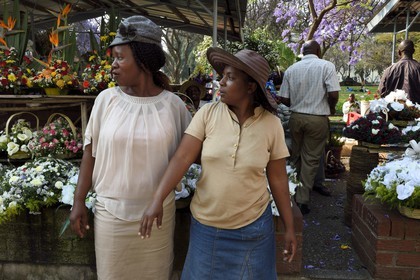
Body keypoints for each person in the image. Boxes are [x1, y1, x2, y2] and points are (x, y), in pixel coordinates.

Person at [140, 47, 297, 279]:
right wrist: (157, 199)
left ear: (251, 87)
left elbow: (277, 178)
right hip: (208, 228)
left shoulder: (271, 124)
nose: (221, 82)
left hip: (254, 230)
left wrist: (289, 227)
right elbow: (182, 158)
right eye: (222, 75)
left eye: (230, 78)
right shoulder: (207, 114)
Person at [69, 16, 192, 280]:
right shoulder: (106, 100)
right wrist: (78, 201)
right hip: (111, 217)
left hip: (157, 218)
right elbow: (90, 153)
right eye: (113, 58)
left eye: (120, 58)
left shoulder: (174, 107)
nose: (113, 65)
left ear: (143, 60)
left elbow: (184, 158)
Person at [279, 40, 340, 215]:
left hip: (296, 117)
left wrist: (298, 101)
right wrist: (332, 107)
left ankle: (290, 192)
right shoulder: (326, 66)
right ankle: (302, 199)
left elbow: (284, 98)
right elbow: (334, 93)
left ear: (302, 52)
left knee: (296, 156)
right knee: (311, 159)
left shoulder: (292, 69)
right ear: (319, 50)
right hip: (317, 118)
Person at [378, 39, 420, 104]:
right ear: (413, 51)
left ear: (399, 52)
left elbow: (381, 92)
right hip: (416, 111)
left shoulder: (389, 70)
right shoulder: (418, 68)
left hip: (393, 112)